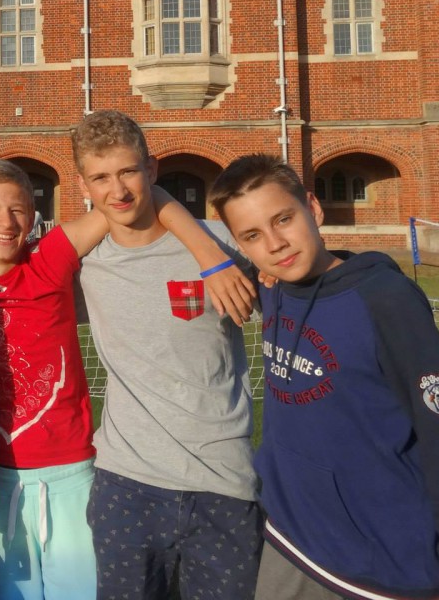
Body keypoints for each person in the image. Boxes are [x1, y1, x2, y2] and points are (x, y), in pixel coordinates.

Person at [210, 154, 439, 600]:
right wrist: (210, 260)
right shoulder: (272, 288)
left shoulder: (385, 300)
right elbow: (149, 208)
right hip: (290, 539)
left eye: (284, 219)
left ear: (313, 208)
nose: (275, 244)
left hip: (378, 560)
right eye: (252, 236)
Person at [0, 160, 252, 600]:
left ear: (34, 216)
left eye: (18, 210)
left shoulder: (49, 258)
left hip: (70, 472)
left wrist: (209, 256)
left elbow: (132, 200)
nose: (6, 222)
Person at [73, 110, 261, 600]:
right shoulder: (85, 264)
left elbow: (300, 284)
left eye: (128, 172)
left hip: (223, 481)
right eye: (100, 178)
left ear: (152, 169)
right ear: (83, 186)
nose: (118, 190)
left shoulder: (219, 246)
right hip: (126, 484)